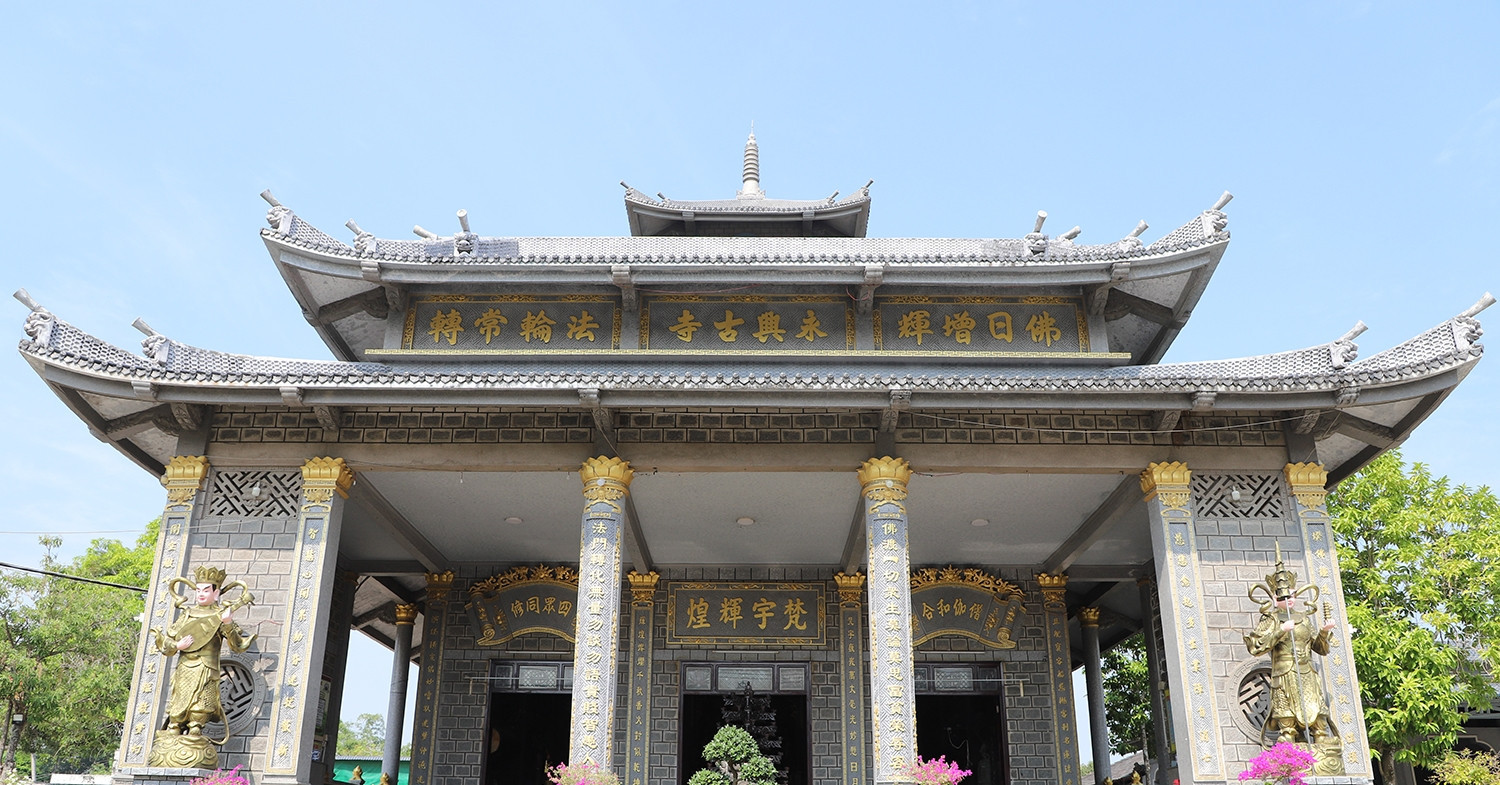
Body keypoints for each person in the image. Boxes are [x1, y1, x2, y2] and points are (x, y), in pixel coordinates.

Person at [148, 565, 255, 766]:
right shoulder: (188, 614)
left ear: (216, 593)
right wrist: (178, 645)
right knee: (179, 699)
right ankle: (174, 728)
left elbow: (236, 645)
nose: (201, 594)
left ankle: (196, 729)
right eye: (198, 590)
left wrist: (229, 622)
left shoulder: (221, 615)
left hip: (207, 667)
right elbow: (168, 642)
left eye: (206, 590)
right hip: (185, 666)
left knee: (201, 702)